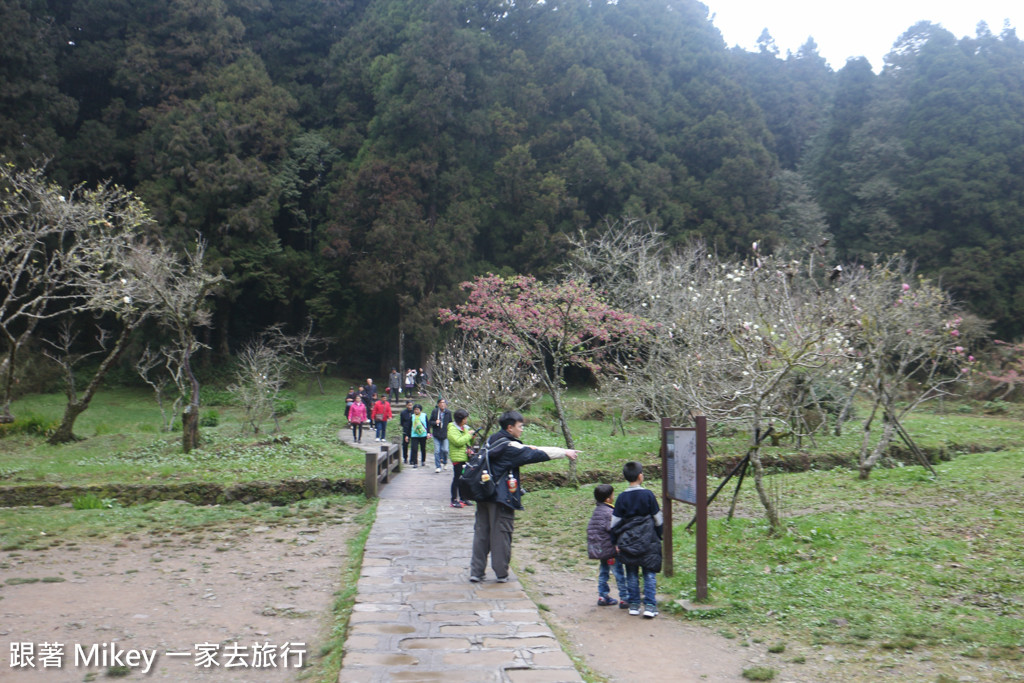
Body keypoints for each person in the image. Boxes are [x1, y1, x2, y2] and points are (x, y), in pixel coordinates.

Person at [469, 410, 578, 583]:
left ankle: (476, 571)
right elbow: (534, 453)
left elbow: (529, 449)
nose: (522, 430)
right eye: (520, 427)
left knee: (481, 532)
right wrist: (563, 452)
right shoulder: (510, 447)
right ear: (510, 427)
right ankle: (501, 573)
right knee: (501, 534)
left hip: (483, 493)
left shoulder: (492, 440)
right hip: (500, 497)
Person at [610, 461, 663, 618]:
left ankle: (633, 605)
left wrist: (615, 542)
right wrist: (659, 535)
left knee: (631, 572)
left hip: (627, 541)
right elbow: (658, 519)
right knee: (649, 573)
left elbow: (614, 523)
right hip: (648, 539)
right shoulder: (648, 495)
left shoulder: (621, 498)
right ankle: (650, 606)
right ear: (641, 476)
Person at [587, 484, 627, 608]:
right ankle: (624, 598)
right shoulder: (609, 512)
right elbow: (614, 530)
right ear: (608, 499)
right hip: (611, 550)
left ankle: (602, 596)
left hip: (600, 549)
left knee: (604, 572)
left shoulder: (597, 511)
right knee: (618, 573)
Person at [447, 408, 476, 508]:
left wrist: (472, 438)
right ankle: (454, 499)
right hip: (457, 457)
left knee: (464, 479)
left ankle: (464, 498)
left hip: (465, 456)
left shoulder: (465, 428)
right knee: (457, 478)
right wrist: (468, 435)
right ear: (460, 419)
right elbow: (458, 442)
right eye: (465, 418)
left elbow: (467, 442)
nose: (466, 420)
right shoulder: (452, 429)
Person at [429, 399, 453, 473]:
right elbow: (430, 422)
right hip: (436, 434)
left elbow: (450, 423)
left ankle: (445, 462)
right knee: (437, 451)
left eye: (444, 403)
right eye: (441, 403)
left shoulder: (448, 412)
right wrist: (435, 422)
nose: (442, 404)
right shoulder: (435, 411)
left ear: (446, 404)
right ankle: (438, 466)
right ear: (438, 404)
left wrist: (450, 431)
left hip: (445, 435)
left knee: (445, 450)